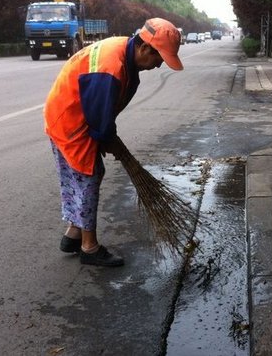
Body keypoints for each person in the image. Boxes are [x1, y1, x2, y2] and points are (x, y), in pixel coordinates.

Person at [43, 18, 183, 267]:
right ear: (144, 48)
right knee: (89, 176)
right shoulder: (110, 66)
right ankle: (89, 247)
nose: (160, 64)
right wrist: (110, 141)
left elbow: (105, 114)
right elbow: (99, 120)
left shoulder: (127, 56)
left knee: (83, 177)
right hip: (71, 120)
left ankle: (73, 235)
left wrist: (109, 139)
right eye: (159, 57)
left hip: (75, 115)